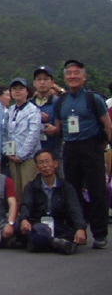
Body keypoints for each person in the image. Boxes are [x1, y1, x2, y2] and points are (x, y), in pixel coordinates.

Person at [53, 59, 111, 249]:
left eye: (77, 73)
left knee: (97, 191)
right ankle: (78, 230)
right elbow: (58, 128)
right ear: (65, 78)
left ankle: (100, 233)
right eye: (69, 73)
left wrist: (105, 145)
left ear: (84, 77)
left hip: (91, 147)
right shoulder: (61, 101)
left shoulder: (94, 99)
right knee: (72, 191)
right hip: (70, 148)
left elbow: (108, 126)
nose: (73, 76)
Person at [18, 149, 87, 254]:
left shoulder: (66, 187)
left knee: (73, 233)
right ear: (37, 167)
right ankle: (56, 243)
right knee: (29, 229)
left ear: (55, 164)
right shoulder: (31, 187)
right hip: (38, 225)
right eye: (41, 163)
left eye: (47, 161)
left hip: (59, 226)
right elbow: (25, 205)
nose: (45, 165)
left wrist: (80, 228)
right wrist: (24, 219)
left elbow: (75, 209)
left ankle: (41, 243)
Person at [3, 77, 41, 202]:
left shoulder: (33, 110)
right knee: (16, 191)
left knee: (28, 189)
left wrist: (21, 155)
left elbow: (33, 135)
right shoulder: (10, 110)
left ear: (27, 91)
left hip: (29, 157)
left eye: (20, 88)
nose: (17, 91)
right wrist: (7, 151)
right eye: (14, 89)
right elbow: (5, 132)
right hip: (12, 156)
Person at [31, 65, 61, 158]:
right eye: (39, 79)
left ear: (52, 82)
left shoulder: (59, 103)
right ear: (34, 83)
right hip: (31, 154)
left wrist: (56, 129)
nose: (42, 82)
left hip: (54, 153)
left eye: (46, 79)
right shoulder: (28, 105)